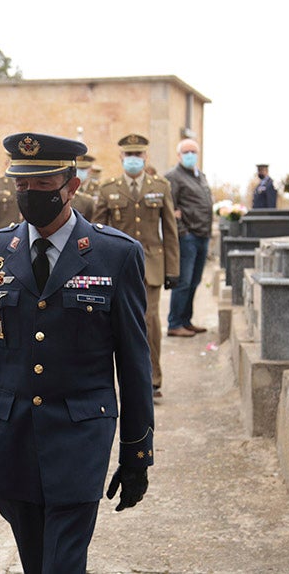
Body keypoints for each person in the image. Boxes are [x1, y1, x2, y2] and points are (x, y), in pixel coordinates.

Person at [0, 132, 154, 574]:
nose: (30, 195)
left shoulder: (115, 254)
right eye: (22, 186)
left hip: (80, 436)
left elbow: (134, 365)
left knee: (62, 564)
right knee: (36, 561)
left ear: (71, 186)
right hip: (12, 436)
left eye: (43, 186)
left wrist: (137, 455)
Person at [91, 134, 179, 398]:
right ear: (121, 158)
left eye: (137, 155)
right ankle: (109, 378)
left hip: (151, 264)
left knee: (149, 320)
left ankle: (152, 378)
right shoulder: (108, 188)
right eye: (128, 155)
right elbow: (98, 230)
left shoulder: (161, 186)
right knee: (110, 322)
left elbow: (170, 231)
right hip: (116, 265)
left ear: (145, 157)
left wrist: (172, 269)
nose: (133, 160)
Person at [164, 138, 213, 338]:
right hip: (188, 237)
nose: (191, 155)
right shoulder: (173, 177)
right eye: (187, 152)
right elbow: (170, 208)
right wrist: (183, 231)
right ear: (179, 155)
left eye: (194, 151)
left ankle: (186, 320)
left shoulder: (199, 175)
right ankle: (174, 323)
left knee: (194, 281)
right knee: (183, 281)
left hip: (203, 234)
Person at [71, 155, 97, 219]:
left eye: (83, 169)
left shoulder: (98, 189)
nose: (80, 172)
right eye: (78, 169)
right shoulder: (69, 188)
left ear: (91, 170)